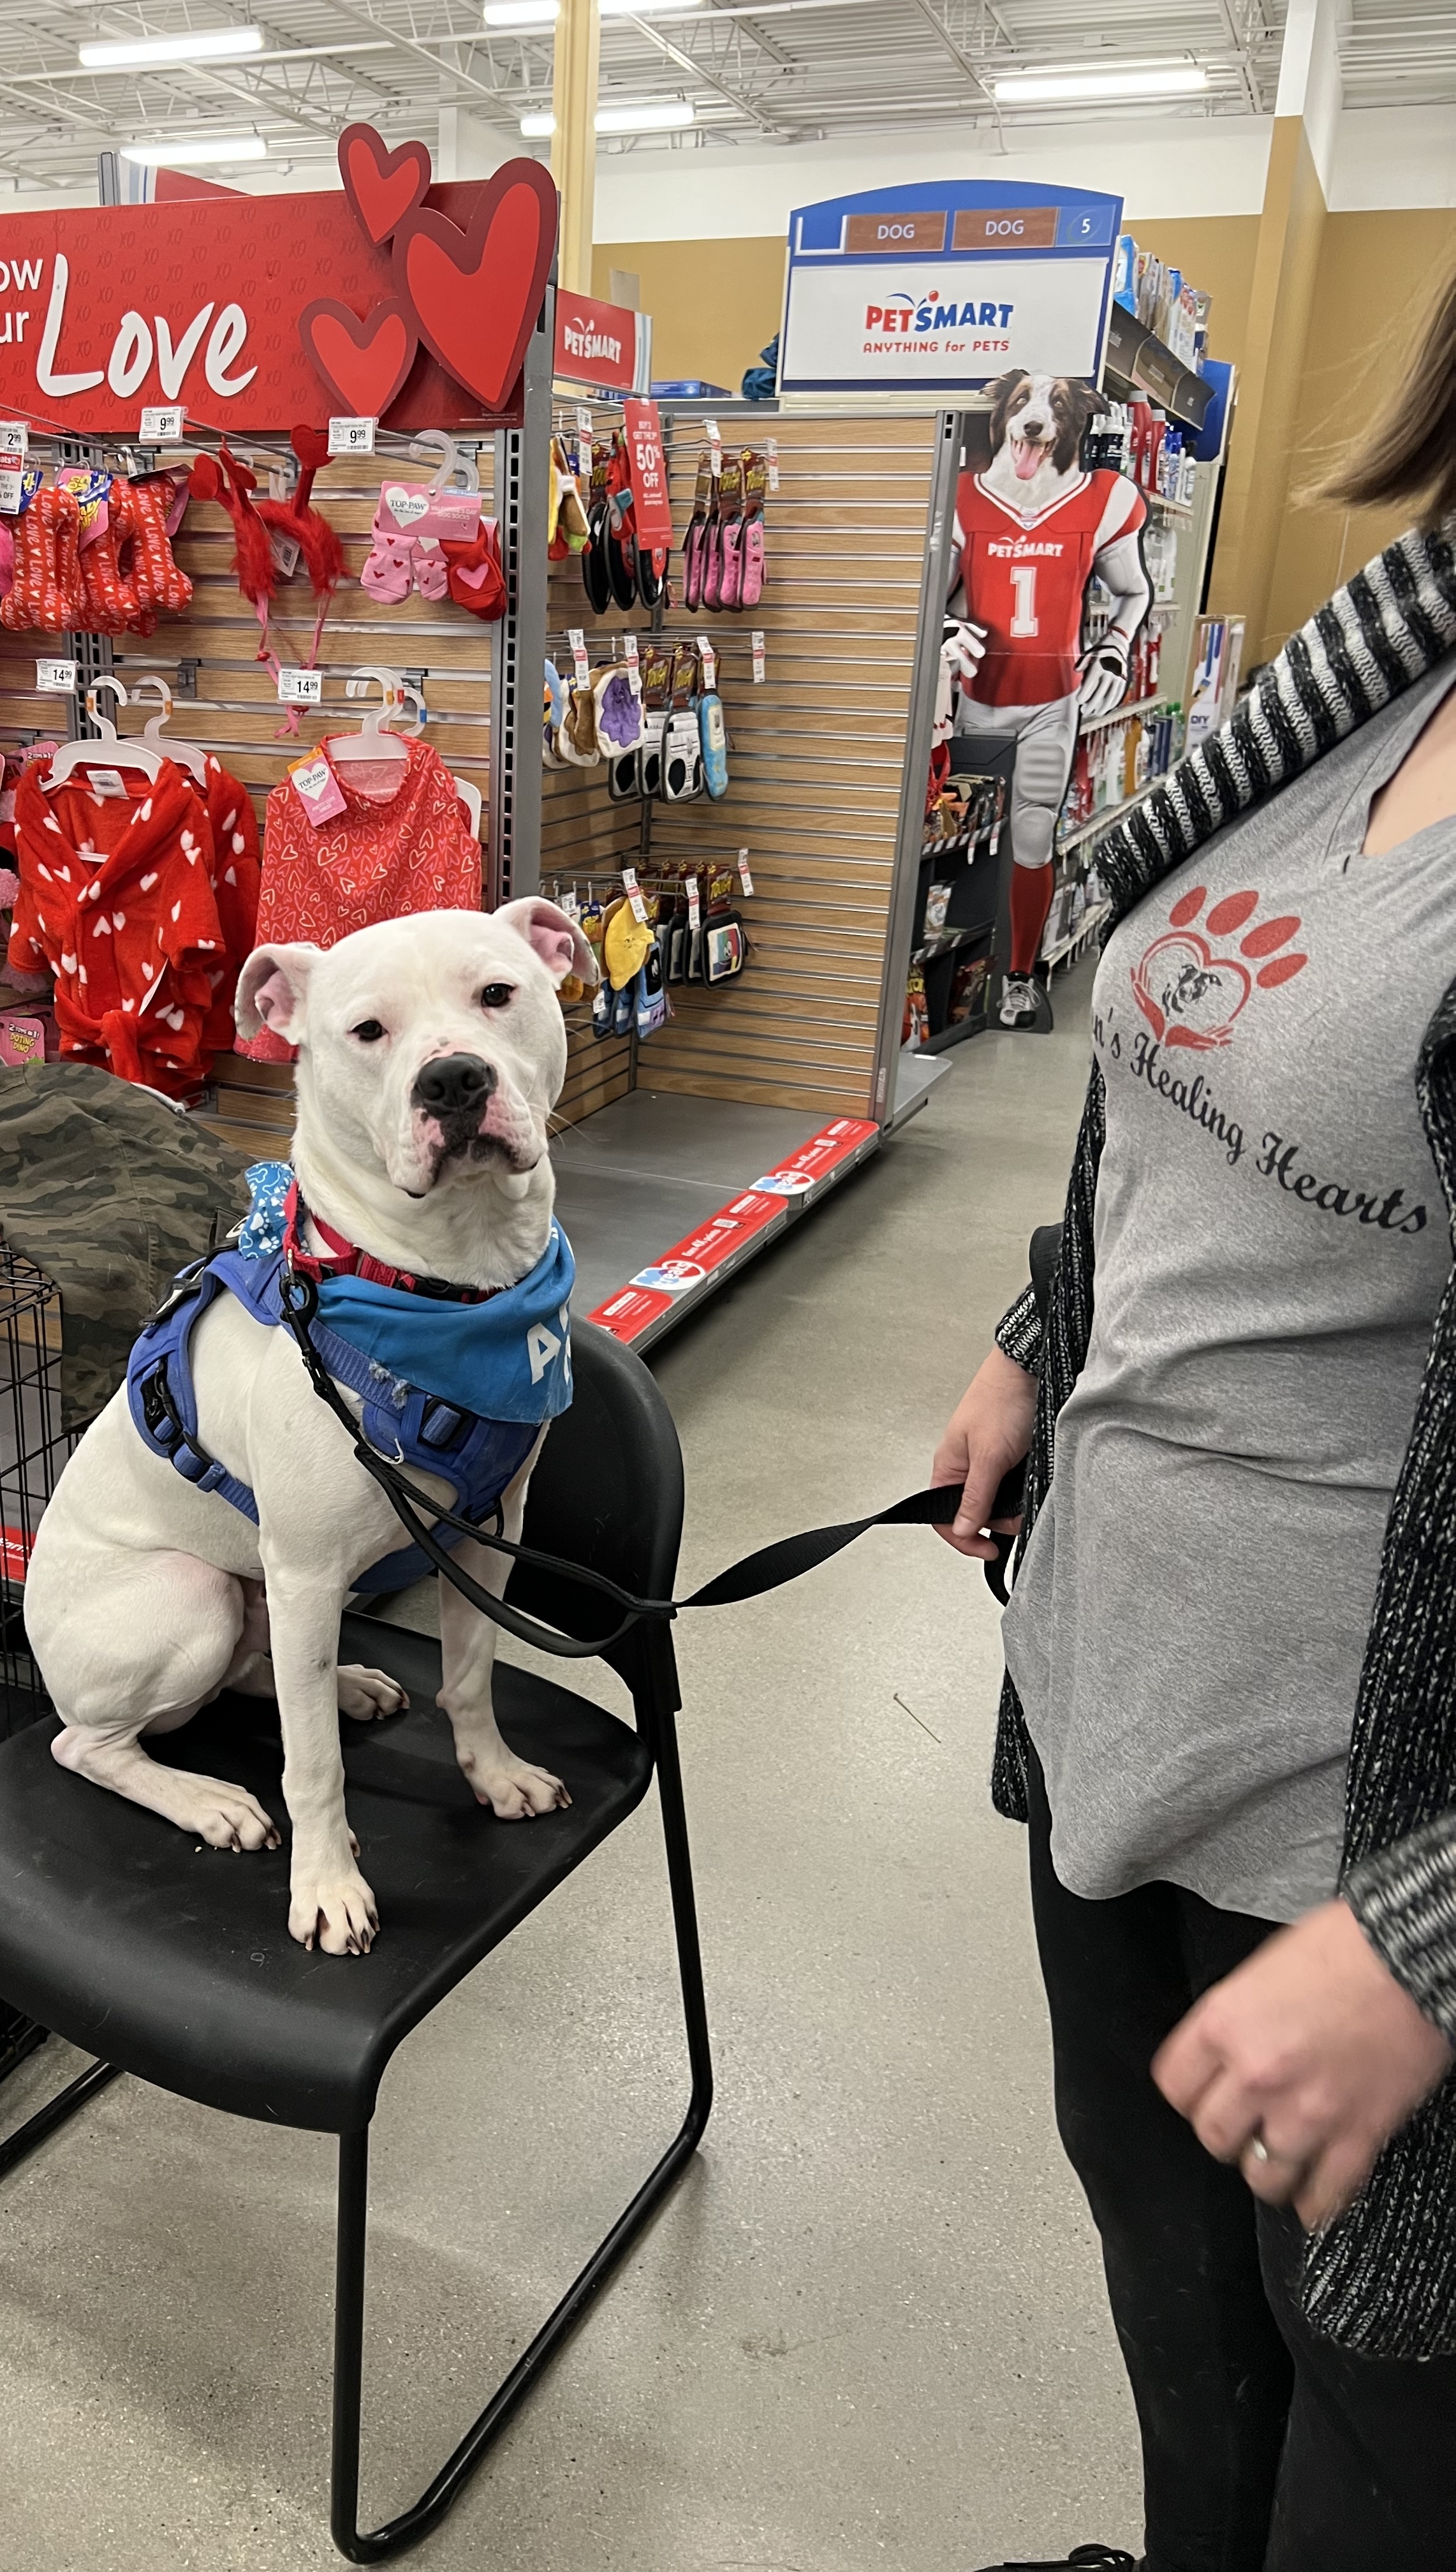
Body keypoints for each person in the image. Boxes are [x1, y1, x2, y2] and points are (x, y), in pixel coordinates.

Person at [933, 265, 1456, 2572]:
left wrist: (1427, 1934)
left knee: (1366, 2436)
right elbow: (1172, 1058)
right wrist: (1040, 1329)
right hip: (1119, 1697)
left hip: (1360, 1856)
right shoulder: (1384, 653)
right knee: (1179, 2336)